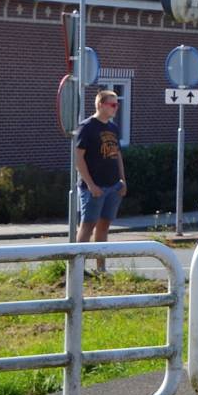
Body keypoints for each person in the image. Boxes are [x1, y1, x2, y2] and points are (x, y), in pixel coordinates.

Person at [75, 89, 127, 272]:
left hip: (113, 186)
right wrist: (90, 185)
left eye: (117, 104)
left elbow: (117, 154)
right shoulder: (87, 127)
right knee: (87, 226)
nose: (116, 108)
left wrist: (123, 180)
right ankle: (77, 270)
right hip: (94, 188)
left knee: (104, 226)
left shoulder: (113, 128)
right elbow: (78, 158)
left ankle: (101, 269)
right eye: (112, 104)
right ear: (100, 105)